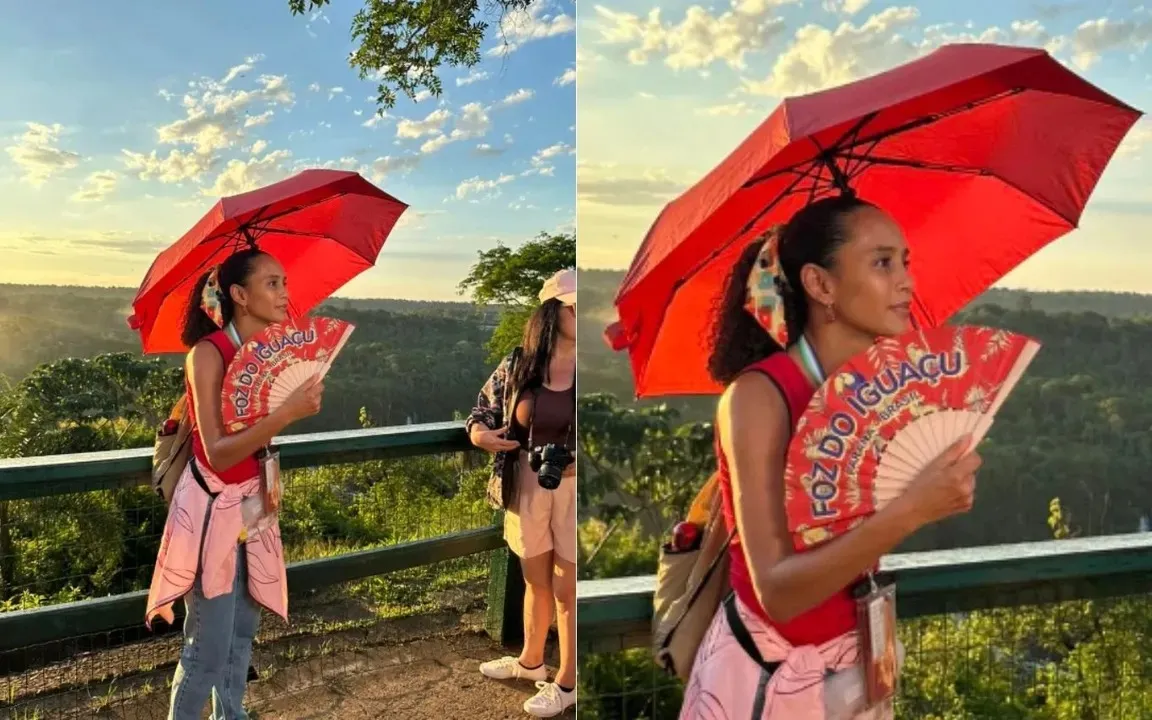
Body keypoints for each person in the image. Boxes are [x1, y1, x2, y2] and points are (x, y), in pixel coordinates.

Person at [679, 196, 982, 720]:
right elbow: (778, 593)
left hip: (857, 666)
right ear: (821, 285)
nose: (907, 281)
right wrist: (912, 509)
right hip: (768, 683)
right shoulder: (760, 398)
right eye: (883, 262)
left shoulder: (872, 399)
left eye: (905, 261)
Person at [145, 248, 325, 720]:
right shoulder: (208, 355)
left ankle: (232, 715)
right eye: (272, 283)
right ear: (240, 295)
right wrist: (287, 414)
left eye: (284, 281)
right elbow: (220, 453)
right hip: (212, 513)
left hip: (253, 506)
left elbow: (251, 440)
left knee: (243, 630)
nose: (284, 293)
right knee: (207, 646)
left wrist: (291, 405)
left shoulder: (263, 355)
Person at [467, 268, 578, 718]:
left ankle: (567, 684)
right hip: (527, 484)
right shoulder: (520, 363)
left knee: (568, 589)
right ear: (552, 312)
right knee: (536, 580)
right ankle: (531, 661)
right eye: (575, 306)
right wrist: (479, 434)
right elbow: (482, 407)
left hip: (575, 492)